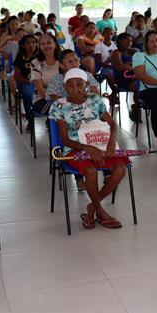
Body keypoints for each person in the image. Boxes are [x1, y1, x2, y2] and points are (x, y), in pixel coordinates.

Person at [50, 68, 128, 229]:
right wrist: (87, 148)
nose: (75, 89)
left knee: (120, 169)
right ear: (64, 88)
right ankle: (100, 211)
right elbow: (65, 139)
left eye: (79, 84)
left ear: (86, 85)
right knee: (90, 171)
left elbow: (112, 124)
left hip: (101, 144)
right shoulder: (59, 106)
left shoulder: (95, 100)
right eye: (70, 85)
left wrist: (111, 143)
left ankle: (92, 207)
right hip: (75, 148)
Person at [12, 34, 40, 131]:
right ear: (23, 45)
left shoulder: (40, 57)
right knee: (27, 94)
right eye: (28, 43)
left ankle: (49, 120)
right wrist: (29, 82)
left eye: (33, 42)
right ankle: (30, 120)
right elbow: (16, 76)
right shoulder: (20, 58)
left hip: (39, 82)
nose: (31, 45)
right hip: (25, 83)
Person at [31, 32, 62, 111]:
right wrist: (58, 100)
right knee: (60, 108)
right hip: (45, 100)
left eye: (49, 43)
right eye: (43, 44)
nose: (46, 46)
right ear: (40, 47)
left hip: (65, 98)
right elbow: (41, 90)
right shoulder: (35, 63)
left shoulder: (63, 60)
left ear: (55, 44)